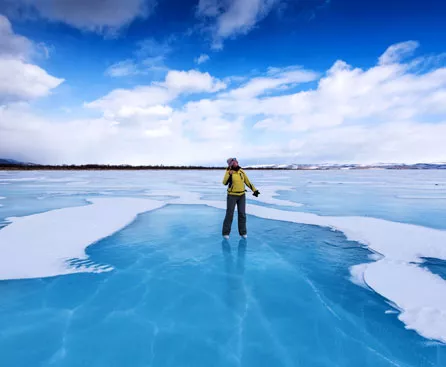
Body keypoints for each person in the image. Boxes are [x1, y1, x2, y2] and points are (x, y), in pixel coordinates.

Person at [222, 158, 260, 239]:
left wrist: (254, 190)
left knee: (242, 214)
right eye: (235, 162)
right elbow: (224, 182)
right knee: (229, 214)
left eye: (237, 162)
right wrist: (229, 173)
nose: (237, 163)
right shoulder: (228, 171)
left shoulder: (241, 171)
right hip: (232, 196)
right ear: (231, 164)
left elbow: (247, 181)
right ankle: (225, 233)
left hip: (242, 196)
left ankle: (243, 233)